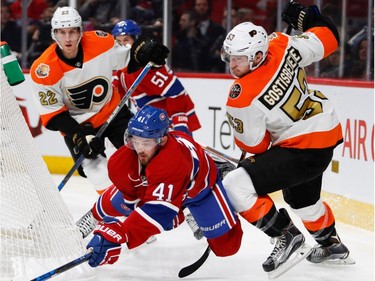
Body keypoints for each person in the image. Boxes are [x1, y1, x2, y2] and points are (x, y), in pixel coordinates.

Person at [219, 1, 352, 276]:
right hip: (324, 135)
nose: (232, 64)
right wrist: (311, 18)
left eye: (239, 59)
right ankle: (332, 244)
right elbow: (328, 39)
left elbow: (254, 146)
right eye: (230, 56)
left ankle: (285, 235)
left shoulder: (241, 96)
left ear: (256, 56)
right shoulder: (281, 44)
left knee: (234, 184)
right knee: (303, 202)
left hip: (300, 147)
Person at [30, 6, 169, 194]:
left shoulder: (100, 42)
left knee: (143, 153)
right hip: (78, 124)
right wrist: (79, 135)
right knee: (96, 172)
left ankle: (163, 197)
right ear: (54, 34)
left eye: (72, 31)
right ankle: (114, 210)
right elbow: (54, 115)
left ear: (81, 31)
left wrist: (145, 51)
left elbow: (128, 58)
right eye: (62, 32)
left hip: (113, 112)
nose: (68, 38)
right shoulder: (43, 69)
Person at [84, 105, 243, 268]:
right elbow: (134, 199)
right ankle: (93, 215)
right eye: (135, 140)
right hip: (165, 187)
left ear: (162, 141)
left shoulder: (172, 162)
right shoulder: (121, 161)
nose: (139, 148)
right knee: (126, 202)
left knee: (227, 247)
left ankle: (217, 170)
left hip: (199, 191)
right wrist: (118, 229)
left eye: (146, 142)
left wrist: (122, 233)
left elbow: (158, 211)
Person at [112, 19, 201, 136]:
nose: (122, 45)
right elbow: (116, 91)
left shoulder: (147, 67)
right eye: (118, 41)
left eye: (126, 40)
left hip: (169, 125)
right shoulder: (122, 66)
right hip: (152, 125)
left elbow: (176, 91)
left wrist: (180, 126)